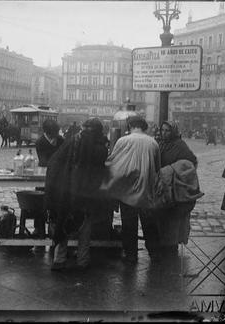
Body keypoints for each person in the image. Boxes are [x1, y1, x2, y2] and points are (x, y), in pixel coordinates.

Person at [45, 118, 109, 271]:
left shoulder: (72, 141)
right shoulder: (100, 147)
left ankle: (59, 260)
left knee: (64, 221)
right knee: (85, 228)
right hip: (87, 193)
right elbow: (100, 171)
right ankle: (82, 260)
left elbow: (54, 162)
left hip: (68, 189)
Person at [101, 115, 160, 263]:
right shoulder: (153, 143)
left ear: (130, 126)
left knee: (129, 225)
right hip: (146, 190)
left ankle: (131, 255)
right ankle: (154, 252)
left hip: (127, 191)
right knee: (149, 224)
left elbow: (112, 161)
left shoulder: (123, 141)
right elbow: (158, 167)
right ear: (143, 126)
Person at [150, 121, 202, 258]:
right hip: (161, 186)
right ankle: (163, 243)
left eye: (167, 130)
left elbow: (191, 164)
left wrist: (173, 171)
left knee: (173, 219)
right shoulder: (160, 144)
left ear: (173, 131)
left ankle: (171, 247)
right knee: (161, 216)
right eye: (163, 130)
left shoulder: (180, 146)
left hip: (175, 188)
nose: (164, 133)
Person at [32, 119, 65, 239]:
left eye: (57, 132)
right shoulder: (40, 142)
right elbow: (43, 160)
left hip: (58, 177)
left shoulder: (61, 140)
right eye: (54, 133)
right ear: (47, 132)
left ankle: (54, 228)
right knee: (40, 202)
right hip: (43, 175)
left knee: (56, 204)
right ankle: (38, 228)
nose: (56, 135)